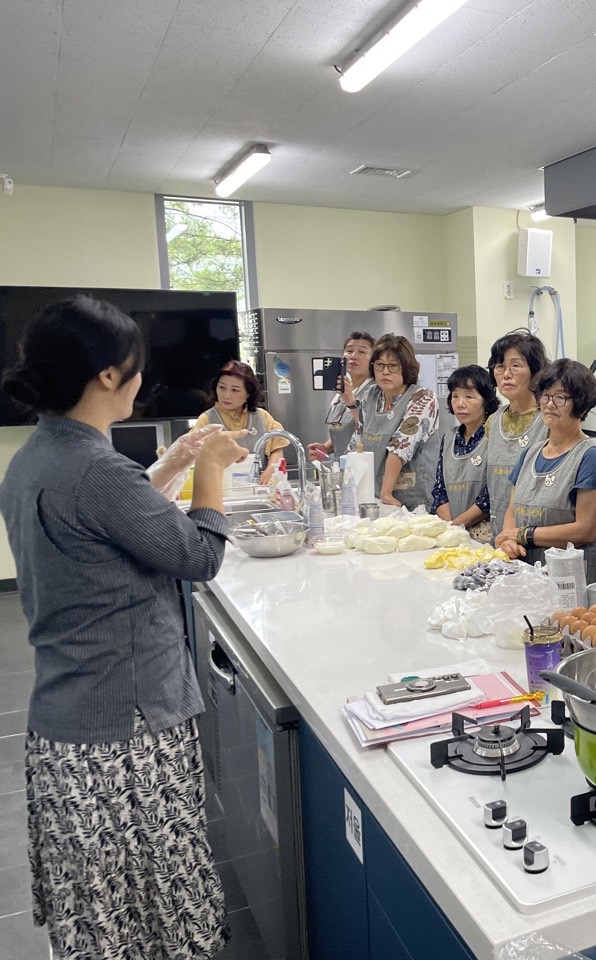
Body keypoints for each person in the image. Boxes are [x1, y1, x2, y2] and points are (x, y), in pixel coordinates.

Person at [0, 295, 247, 960]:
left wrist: (168, 467)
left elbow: (113, 523)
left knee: (105, 915)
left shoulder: (38, 458)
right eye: (136, 364)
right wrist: (212, 471)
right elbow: (198, 557)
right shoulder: (94, 467)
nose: (143, 378)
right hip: (126, 729)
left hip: (70, 717)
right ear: (109, 375)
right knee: (153, 912)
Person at [497, 359, 596, 578]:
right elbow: (512, 510)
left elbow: (586, 530)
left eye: (561, 397)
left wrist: (525, 535)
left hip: (570, 579)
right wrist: (509, 539)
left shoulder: (590, 457)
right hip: (528, 575)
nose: (549, 404)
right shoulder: (530, 453)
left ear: (581, 405)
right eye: (545, 395)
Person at [345, 334, 439, 509]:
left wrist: (386, 493)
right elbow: (357, 442)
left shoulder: (422, 397)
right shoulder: (371, 395)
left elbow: (401, 446)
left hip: (412, 501)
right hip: (376, 497)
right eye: (379, 365)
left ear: (406, 367)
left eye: (393, 366)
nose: (385, 372)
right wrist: (346, 484)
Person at [485, 330, 549, 542]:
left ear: (535, 371)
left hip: (540, 534)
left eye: (516, 365)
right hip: (501, 533)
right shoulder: (493, 422)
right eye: (500, 366)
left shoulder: (549, 419)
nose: (506, 374)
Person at [432, 364, 500, 541]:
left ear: (486, 400)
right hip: (451, 533)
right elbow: (439, 491)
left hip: (485, 536)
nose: (460, 404)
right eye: (455, 396)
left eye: (469, 397)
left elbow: (492, 495)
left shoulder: (495, 435)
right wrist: (450, 526)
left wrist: (456, 526)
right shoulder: (449, 438)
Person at [193, 359, 287, 484]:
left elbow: (277, 447)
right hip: (220, 490)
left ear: (248, 393)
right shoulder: (207, 419)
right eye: (222, 387)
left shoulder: (262, 416)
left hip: (256, 488)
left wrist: (270, 469)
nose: (226, 395)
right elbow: (195, 457)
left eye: (235, 390)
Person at [307, 330, 376, 461]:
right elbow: (345, 429)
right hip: (343, 466)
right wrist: (326, 447)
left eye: (362, 352)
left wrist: (351, 402)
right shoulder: (342, 391)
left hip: (366, 466)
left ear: (374, 360)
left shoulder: (376, 391)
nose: (353, 356)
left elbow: (371, 429)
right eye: (349, 351)